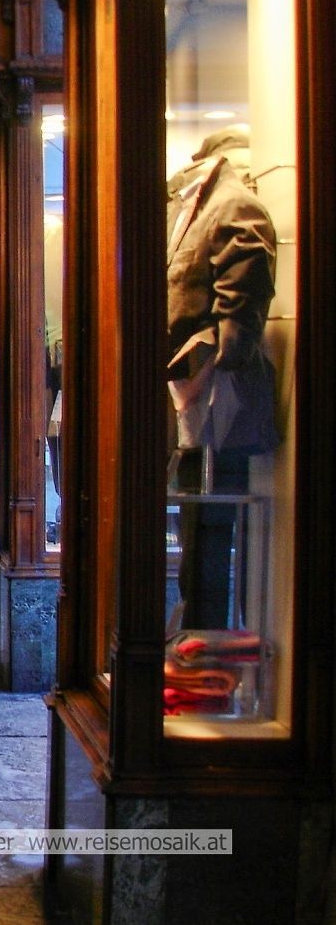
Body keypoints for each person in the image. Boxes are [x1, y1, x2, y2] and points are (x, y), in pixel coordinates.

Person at [165, 126, 277, 629]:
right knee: (200, 521)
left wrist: (216, 361)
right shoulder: (207, 203)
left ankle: (206, 639)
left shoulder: (232, 204)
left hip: (215, 397)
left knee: (211, 523)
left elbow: (239, 314)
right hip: (192, 394)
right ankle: (198, 634)